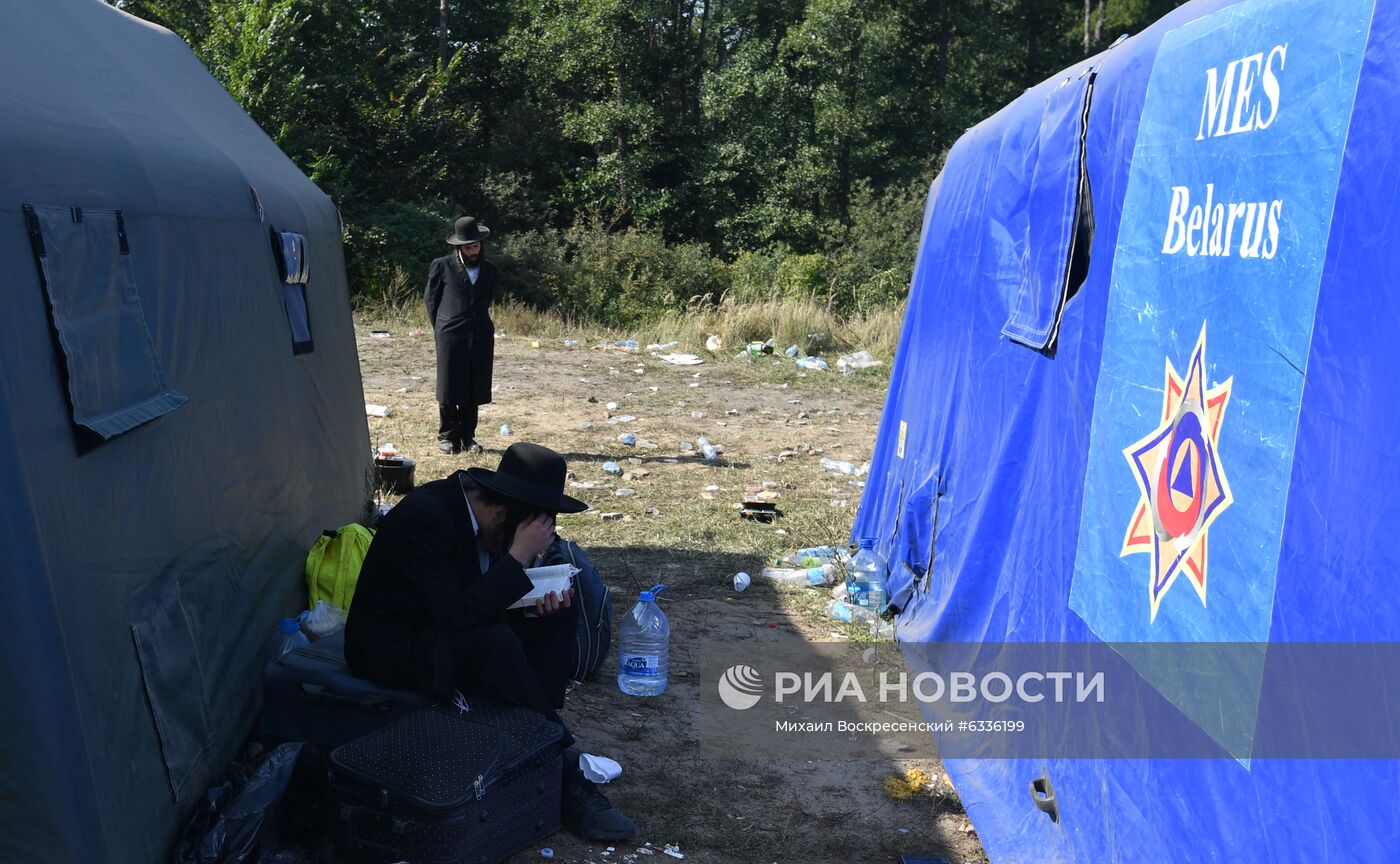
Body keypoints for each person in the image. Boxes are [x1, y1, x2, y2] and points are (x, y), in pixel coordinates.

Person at [345, 442, 636, 841]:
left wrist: (534, 607)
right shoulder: (426, 518)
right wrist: (516, 558)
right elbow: (453, 616)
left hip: (447, 632)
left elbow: (476, 604)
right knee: (495, 643)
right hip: (393, 648)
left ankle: (535, 733)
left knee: (558, 611)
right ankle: (565, 772)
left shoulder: (486, 523)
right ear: (501, 513)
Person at [426, 216, 498, 454]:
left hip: (479, 333)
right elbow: (431, 300)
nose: (473, 250)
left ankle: (468, 436)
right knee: (448, 384)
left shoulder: (490, 270)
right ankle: (448, 435)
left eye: (476, 245)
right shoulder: (442, 265)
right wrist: (440, 327)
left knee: (473, 384)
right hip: (449, 332)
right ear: (459, 247)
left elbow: (487, 300)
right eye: (469, 247)